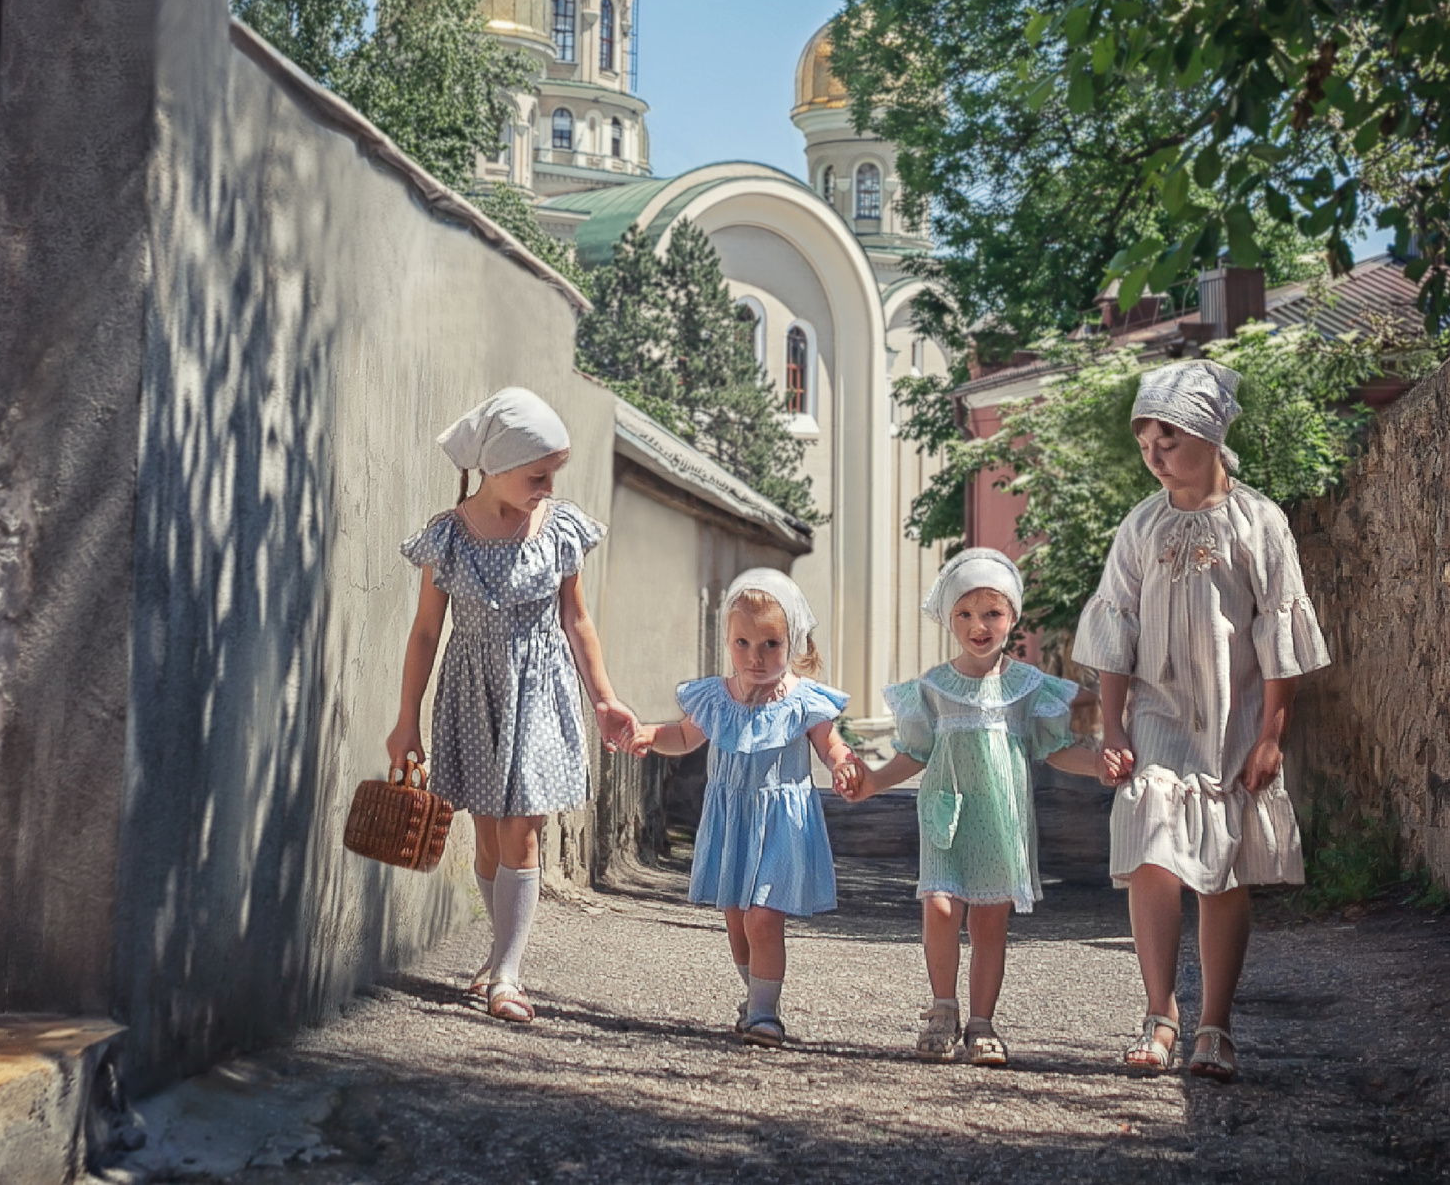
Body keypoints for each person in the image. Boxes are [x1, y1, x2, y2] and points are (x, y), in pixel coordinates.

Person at [1075, 359, 1332, 1082]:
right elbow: (1115, 627)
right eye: (1144, 439)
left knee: (1219, 871)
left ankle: (1215, 1022)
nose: (1155, 453)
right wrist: (1115, 725)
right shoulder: (1141, 525)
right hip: (1156, 715)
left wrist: (1272, 733)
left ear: (1213, 434)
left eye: (1170, 436)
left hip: (1231, 720)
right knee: (1153, 853)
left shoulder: (1259, 522)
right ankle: (1160, 1014)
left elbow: (1279, 634)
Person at [388, 387, 640, 1025]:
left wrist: (605, 700)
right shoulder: (448, 538)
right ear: (495, 468)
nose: (549, 488)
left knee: (522, 829)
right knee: (489, 841)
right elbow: (424, 632)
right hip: (472, 694)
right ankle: (499, 954)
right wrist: (404, 720)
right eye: (537, 476)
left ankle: (507, 974)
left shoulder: (559, 531)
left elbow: (578, 622)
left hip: (539, 692)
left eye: (555, 474)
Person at [841, 548, 1100, 1067]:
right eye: (965, 613)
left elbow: (1053, 750)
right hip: (946, 813)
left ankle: (982, 1023)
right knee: (939, 906)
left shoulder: (1029, 686)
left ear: (1013, 617)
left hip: (1001, 822)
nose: (978, 625)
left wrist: (1101, 765)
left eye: (992, 613)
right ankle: (943, 1008)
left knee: (989, 921)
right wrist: (872, 784)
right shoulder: (933, 687)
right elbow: (914, 753)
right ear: (949, 618)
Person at [629, 569, 860, 1046]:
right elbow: (685, 736)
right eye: (743, 643)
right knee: (735, 918)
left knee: (762, 915)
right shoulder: (717, 697)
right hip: (731, 820)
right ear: (728, 641)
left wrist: (843, 764)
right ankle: (754, 993)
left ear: (793, 642)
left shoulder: (803, 701)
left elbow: (830, 744)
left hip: (781, 823)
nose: (755, 657)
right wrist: (651, 736)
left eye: (771, 644)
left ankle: (764, 1013)